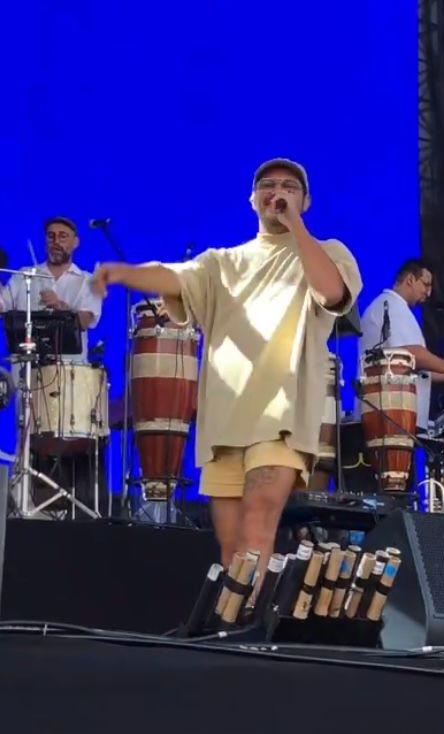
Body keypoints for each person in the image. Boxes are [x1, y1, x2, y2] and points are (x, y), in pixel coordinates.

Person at [91, 158, 362, 572]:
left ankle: (246, 631)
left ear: (306, 201)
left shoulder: (328, 252)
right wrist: (122, 273)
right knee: (231, 546)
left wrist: (296, 229)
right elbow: (173, 276)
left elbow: (331, 294)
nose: (278, 192)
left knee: (258, 525)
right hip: (226, 420)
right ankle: (231, 623)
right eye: (268, 185)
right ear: (252, 199)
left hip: (283, 418)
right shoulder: (221, 262)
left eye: (290, 187)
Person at [359, 259, 444, 432]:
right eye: (426, 285)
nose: (429, 293)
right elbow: (414, 355)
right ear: (410, 279)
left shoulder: (395, 307)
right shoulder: (392, 306)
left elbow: (419, 371)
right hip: (390, 414)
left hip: (397, 414)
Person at [0, 216, 102, 361]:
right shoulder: (24, 275)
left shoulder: (88, 281)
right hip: (26, 369)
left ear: (75, 243)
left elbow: (86, 320)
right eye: (51, 236)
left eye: (63, 236)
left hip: (70, 371)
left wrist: (60, 307)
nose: (56, 242)